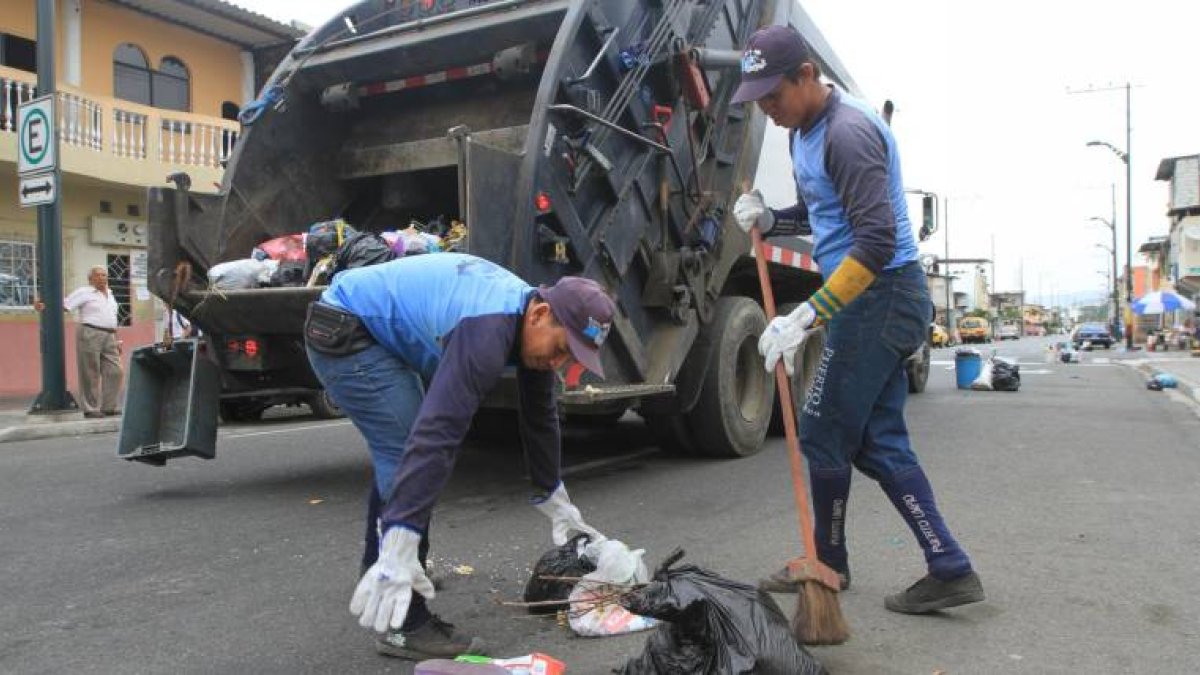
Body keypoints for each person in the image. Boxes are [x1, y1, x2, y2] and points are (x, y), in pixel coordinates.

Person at [730, 25, 984, 614]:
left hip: (882, 296)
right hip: (867, 298)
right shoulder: (803, 131)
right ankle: (948, 566)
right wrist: (773, 219)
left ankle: (830, 565)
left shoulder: (848, 133)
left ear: (807, 76)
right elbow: (823, 210)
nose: (768, 110)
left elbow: (874, 241)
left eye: (774, 95)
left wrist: (806, 318)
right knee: (878, 440)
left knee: (821, 430)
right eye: (759, 100)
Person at [304, 252, 614, 660]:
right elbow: (438, 434)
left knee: (405, 450)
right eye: (562, 349)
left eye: (570, 359)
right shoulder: (486, 331)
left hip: (369, 327)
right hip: (345, 331)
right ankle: (402, 622)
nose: (559, 363)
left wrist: (552, 496)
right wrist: (401, 545)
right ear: (540, 314)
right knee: (406, 448)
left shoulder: (527, 319)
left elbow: (540, 417)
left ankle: (378, 567)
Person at [57, 266, 124, 418]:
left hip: (110, 335)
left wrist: (117, 339)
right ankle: (90, 408)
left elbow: (111, 317)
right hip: (90, 332)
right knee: (90, 371)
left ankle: (109, 406)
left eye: (104, 275)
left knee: (115, 371)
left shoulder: (110, 294)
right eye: (98, 275)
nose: (102, 278)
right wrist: (44, 305)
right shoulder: (84, 292)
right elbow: (64, 305)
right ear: (90, 279)